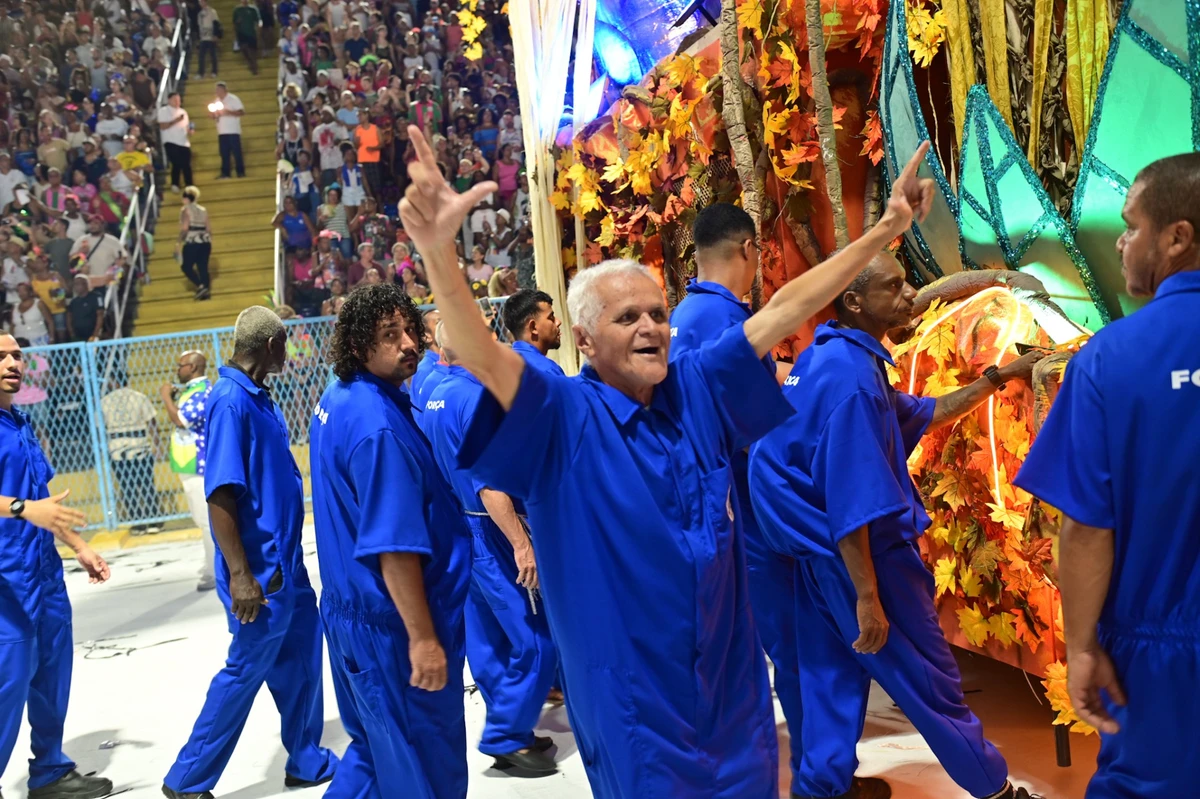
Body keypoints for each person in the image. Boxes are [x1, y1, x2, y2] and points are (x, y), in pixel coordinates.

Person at [400, 126, 934, 797]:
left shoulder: (699, 388)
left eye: (657, 311)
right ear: (587, 339)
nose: (651, 326)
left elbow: (786, 307)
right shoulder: (562, 417)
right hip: (637, 714)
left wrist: (883, 231)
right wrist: (437, 255)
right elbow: (483, 352)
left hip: (733, 701)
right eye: (628, 318)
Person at [747, 249, 1044, 799]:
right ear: (854, 300)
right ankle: (995, 788)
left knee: (831, 675)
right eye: (894, 287)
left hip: (814, 555)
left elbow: (921, 414)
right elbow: (851, 501)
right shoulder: (853, 382)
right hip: (863, 556)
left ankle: (822, 790)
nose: (910, 295)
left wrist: (1000, 376)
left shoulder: (830, 354)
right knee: (928, 679)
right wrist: (866, 595)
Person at [1014, 153, 1200, 799]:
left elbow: (1088, 527)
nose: (1122, 241)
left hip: (1160, 652)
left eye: (1131, 225)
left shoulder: (1112, 359)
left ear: (1177, 237)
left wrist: (1083, 645)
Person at [163, 307, 338, 799]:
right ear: (270, 346)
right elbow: (221, 492)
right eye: (286, 344)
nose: (290, 352)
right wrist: (241, 573)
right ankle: (187, 778)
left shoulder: (259, 397)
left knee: (303, 653)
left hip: (286, 563)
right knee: (246, 667)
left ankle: (306, 758)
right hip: (259, 569)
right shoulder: (231, 402)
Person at [310, 285, 471, 799]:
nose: (408, 343)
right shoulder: (379, 430)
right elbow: (394, 546)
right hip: (394, 628)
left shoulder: (340, 397)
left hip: (350, 611)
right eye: (389, 335)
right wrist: (423, 639)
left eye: (409, 329)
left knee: (375, 753)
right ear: (359, 346)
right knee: (427, 767)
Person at [667, 202, 804, 790]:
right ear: (749, 250)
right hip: (736, 501)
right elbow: (759, 426)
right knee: (781, 638)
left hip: (692, 501)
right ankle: (818, 765)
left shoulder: (680, 314)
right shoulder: (727, 321)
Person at [424, 322, 558, 775]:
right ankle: (504, 733)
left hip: (460, 529)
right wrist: (521, 544)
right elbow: (490, 483)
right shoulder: (477, 398)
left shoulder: (435, 392)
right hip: (492, 530)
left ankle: (512, 730)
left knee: (487, 641)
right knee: (537, 639)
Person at [0, 333, 114, 799]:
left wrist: (78, 545)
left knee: (52, 672)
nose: (12, 362)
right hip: (6, 580)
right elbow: (31, 505)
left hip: (42, 572)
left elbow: (44, 501)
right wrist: (26, 509)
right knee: (10, 680)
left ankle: (49, 771)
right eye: (1, 356)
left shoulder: (20, 421)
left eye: (17, 355)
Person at [161, 350, 218, 592]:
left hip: (199, 464)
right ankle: (210, 565)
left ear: (193, 367)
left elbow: (180, 420)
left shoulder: (202, 392)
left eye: (181, 365)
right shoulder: (190, 391)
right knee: (201, 519)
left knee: (206, 522)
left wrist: (165, 397)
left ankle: (214, 572)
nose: (177, 369)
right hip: (190, 464)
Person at [101, 381, 164, 534]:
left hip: (117, 447)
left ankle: (137, 522)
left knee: (126, 487)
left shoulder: (104, 401)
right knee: (147, 483)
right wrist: (156, 444)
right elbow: (151, 422)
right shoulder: (139, 397)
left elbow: (100, 427)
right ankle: (153, 519)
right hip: (139, 444)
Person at [501, 288, 562, 376]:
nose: (558, 322)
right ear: (533, 327)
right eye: (551, 318)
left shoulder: (502, 367)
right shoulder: (547, 372)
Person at [178, 186, 214, 300]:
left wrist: (179, 241)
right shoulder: (203, 210)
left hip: (192, 241)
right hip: (205, 241)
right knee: (202, 267)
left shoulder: (185, 209)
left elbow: (185, 228)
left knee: (186, 266)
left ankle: (200, 285)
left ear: (186, 198)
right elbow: (208, 228)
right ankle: (205, 291)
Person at [158, 92, 193, 192]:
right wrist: (175, 120)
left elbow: (187, 126)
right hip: (170, 141)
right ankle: (175, 183)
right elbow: (162, 126)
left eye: (178, 100)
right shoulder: (164, 111)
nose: (177, 102)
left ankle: (189, 184)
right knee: (176, 162)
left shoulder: (183, 112)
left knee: (186, 164)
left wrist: (190, 130)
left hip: (184, 142)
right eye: (174, 99)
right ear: (169, 100)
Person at [212, 82, 246, 180]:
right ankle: (225, 173)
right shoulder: (216, 101)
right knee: (224, 153)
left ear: (224, 90)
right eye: (216, 90)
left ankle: (240, 172)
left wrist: (228, 112)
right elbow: (214, 115)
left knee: (237, 153)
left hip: (233, 131)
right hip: (222, 131)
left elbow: (241, 112)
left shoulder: (233, 99)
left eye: (218, 90)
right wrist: (213, 114)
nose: (217, 92)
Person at [66, 276, 104, 343]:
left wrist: (96, 333)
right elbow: (69, 317)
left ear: (85, 284)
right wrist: (72, 333)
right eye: (74, 284)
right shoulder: (73, 302)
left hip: (92, 334)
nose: (76, 287)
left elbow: (100, 315)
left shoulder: (96, 297)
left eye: (78, 284)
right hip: (78, 336)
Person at [232, 0, 262, 75]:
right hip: (241, 33)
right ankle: (251, 64)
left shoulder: (253, 9)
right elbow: (234, 22)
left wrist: (259, 26)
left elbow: (258, 19)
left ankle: (254, 66)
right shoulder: (237, 10)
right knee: (244, 49)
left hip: (251, 33)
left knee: (252, 51)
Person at [197, 0, 220, 78]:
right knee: (201, 56)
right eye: (200, 2)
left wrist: (215, 35)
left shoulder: (212, 11)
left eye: (202, 1)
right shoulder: (200, 14)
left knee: (213, 54)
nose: (201, 3)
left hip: (210, 36)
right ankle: (201, 73)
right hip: (203, 37)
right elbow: (199, 26)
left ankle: (214, 71)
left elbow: (216, 23)